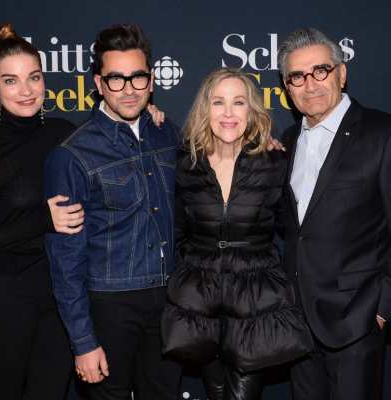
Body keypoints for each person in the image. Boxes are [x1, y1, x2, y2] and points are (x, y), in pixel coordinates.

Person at [43, 23, 183, 400]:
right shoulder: (72, 154)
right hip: (109, 306)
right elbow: (65, 259)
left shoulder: (166, 132)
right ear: (99, 83)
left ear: (151, 81)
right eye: (116, 79)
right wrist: (83, 341)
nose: (128, 89)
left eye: (137, 78)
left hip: (169, 300)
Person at [160, 66, 313, 400]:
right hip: (200, 298)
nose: (228, 113)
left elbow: (293, 229)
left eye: (238, 102)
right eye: (218, 102)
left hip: (255, 297)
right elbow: (174, 228)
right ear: (206, 109)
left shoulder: (276, 161)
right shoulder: (185, 163)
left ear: (252, 111)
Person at [278, 28, 391, 400]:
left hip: (356, 322)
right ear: (287, 87)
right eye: (297, 76)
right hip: (298, 325)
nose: (310, 84)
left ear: (341, 73)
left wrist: (381, 311)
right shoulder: (289, 140)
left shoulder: (382, 132)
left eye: (320, 71)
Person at [0, 23, 85, 400]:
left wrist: (150, 115)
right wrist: (41, 222)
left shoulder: (67, 132)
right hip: (5, 290)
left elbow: (119, 143)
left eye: (34, 77)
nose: (26, 90)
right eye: (11, 81)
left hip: (62, 289)